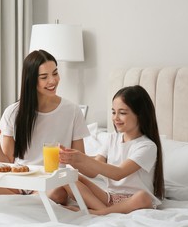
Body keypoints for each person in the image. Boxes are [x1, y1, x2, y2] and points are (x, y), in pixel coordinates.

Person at [0, 49, 90, 202]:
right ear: (31, 80)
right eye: (44, 77)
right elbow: (7, 164)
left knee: (59, 193)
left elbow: (80, 160)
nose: (53, 81)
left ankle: (22, 201)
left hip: (50, 182)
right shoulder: (13, 112)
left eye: (55, 73)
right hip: (19, 180)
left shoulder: (72, 111)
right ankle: (30, 201)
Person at [58, 85, 165, 215]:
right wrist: (72, 159)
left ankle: (99, 213)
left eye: (122, 113)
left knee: (143, 197)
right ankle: (104, 210)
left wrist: (82, 158)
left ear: (140, 115)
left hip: (134, 200)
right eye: (114, 112)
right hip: (109, 198)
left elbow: (118, 173)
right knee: (66, 176)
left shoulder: (147, 146)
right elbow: (93, 171)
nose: (116, 118)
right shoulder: (112, 138)